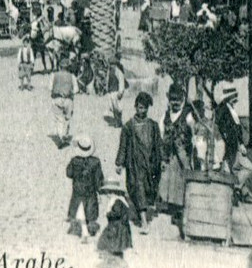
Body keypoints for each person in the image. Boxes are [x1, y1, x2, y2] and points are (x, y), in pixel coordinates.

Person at [115, 91, 162, 232]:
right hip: (134, 165)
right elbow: (123, 145)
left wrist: (161, 160)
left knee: (147, 190)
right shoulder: (128, 126)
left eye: (144, 108)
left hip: (150, 165)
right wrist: (119, 163)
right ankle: (144, 223)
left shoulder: (153, 126)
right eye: (139, 107)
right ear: (135, 107)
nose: (141, 110)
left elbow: (158, 145)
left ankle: (140, 214)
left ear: (148, 109)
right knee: (137, 188)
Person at [158, 83, 194, 221]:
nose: (175, 103)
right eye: (172, 100)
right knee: (168, 177)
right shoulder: (166, 115)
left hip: (182, 152)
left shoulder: (187, 114)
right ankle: (170, 204)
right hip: (169, 151)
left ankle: (180, 206)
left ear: (182, 99)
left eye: (178, 100)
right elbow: (162, 131)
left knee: (181, 178)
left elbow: (194, 132)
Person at [65, 135, 104, 241]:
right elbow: (98, 178)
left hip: (78, 189)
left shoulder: (74, 161)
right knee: (91, 209)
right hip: (90, 190)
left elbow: (69, 173)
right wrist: (99, 189)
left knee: (77, 207)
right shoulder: (96, 162)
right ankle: (90, 228)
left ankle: (77, 228)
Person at [98, 196, 134, 268]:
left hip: (117, 228)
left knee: (113, 245)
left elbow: (117, 213)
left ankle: (117, 264)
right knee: (117, 247)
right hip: (119, 227)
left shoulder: (117, 201)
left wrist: (108, 214)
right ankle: (116, 262)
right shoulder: (121, 201)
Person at [49, 61, 77, 147]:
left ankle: (61, 137)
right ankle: (65, 135)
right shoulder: (72, 76)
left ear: (59, 67)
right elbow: (76, 89)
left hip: (57, 99)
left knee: (59, 118)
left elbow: (49, 87)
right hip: (68, 99)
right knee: (67, 118)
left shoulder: (54, 75)